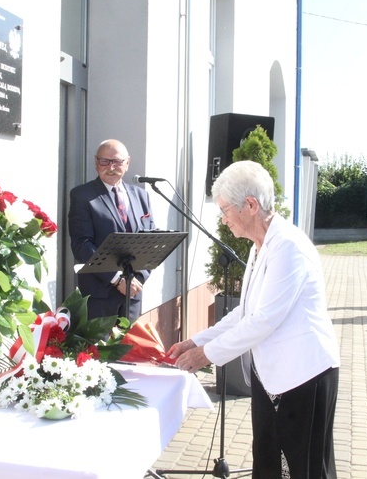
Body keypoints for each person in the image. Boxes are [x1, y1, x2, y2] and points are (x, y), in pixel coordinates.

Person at [167, 160, 340, 478]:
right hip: (272, 377)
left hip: (303, 376)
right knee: (269, 462)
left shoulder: (288, 247)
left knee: (304, 469)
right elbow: (245, 311)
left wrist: (205, 355)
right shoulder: (260, 246)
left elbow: (263, 319)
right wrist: (198, 340)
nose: (223, 219)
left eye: (224, 210)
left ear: (250, 205)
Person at [68, 139, 156, 321]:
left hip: (133, 294)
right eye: (105, 161)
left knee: (130, 348)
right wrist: (116, 279)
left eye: (117, 162)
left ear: (128, 163)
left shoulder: (141, 196)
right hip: (99, 295)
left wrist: (136, 279)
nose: (111, 167)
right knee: (98, 350)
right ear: (95, 162)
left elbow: (149, 241)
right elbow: (82, 245)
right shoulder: (82, 195)